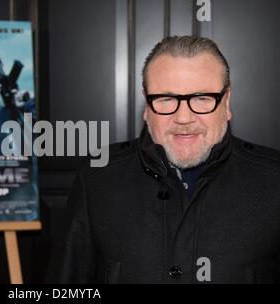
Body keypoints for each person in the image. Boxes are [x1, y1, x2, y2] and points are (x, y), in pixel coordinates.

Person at [52, 36, 280, 283]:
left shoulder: (274, 181)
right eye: (166, 99)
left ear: (226, 102)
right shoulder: (97, 178)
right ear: (147, 105)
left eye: (202, 98)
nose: (184, 117)